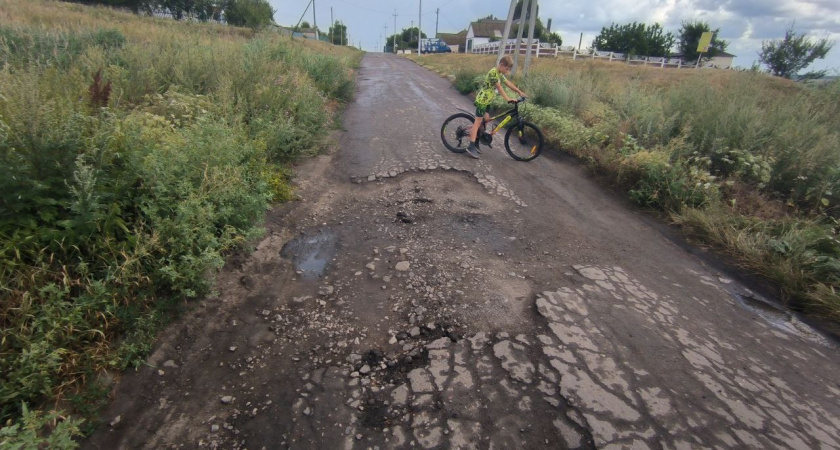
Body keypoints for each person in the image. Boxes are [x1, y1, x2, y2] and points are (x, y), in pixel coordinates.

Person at [465, 55, 526, 159]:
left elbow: (508, 83)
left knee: (486, 121)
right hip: (482, 101)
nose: (507, 71)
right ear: (501, 65)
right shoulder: (493, 73)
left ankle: (476, 142)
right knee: (478, 123)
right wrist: (508, 99)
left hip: (487, 101)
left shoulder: (499, 73)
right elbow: (499, 87)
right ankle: (471, 147)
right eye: (507, 69)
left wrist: (519, 91)